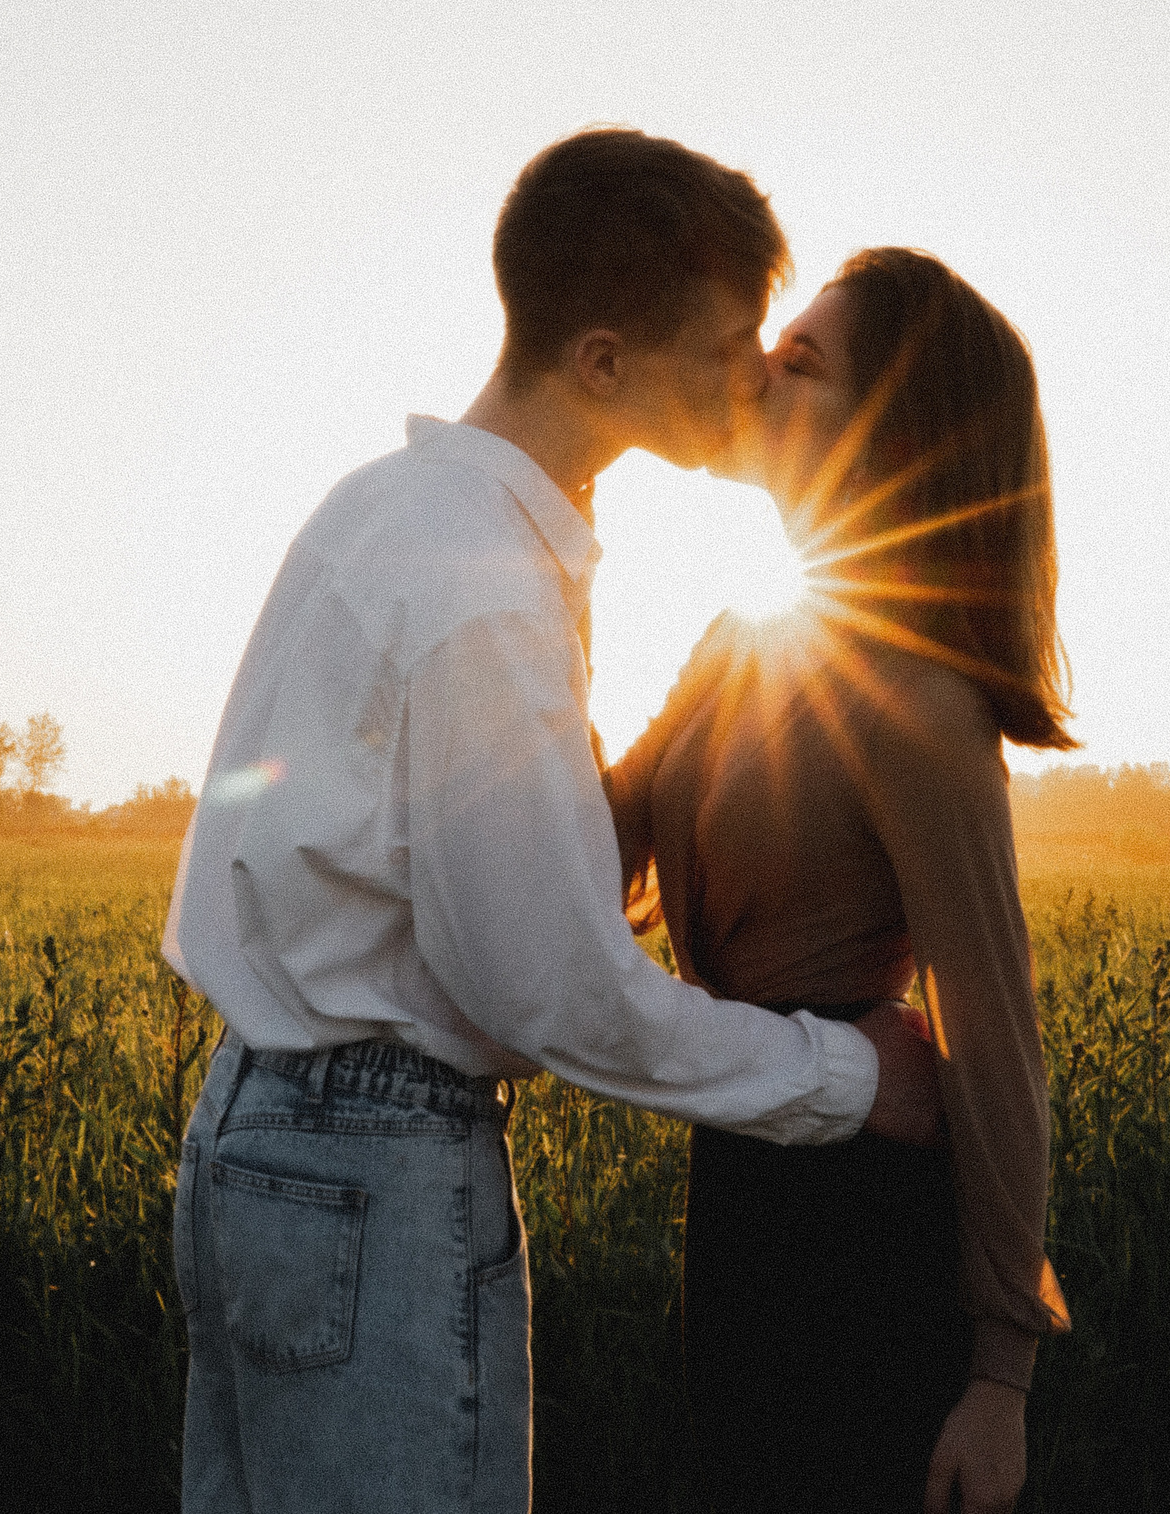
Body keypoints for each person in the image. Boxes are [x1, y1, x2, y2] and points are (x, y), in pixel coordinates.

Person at [160, 131, 947, 1514]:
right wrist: (848, 1076)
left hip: (259, 1134)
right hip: (375, 1157)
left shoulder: (391, 506)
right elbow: (555, 991)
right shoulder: (485, 589)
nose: (754, 375)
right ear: (602, 362)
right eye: (726, 345)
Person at [605, 247, 1076, 1514]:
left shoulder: (916, 696)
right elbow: (602, 845)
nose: (757, 370)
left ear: (889, 438)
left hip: (863, 1205)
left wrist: (1001, 1375)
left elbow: (994, 1035)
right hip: (744, 1161)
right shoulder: (740, 641)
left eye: (801, 361)